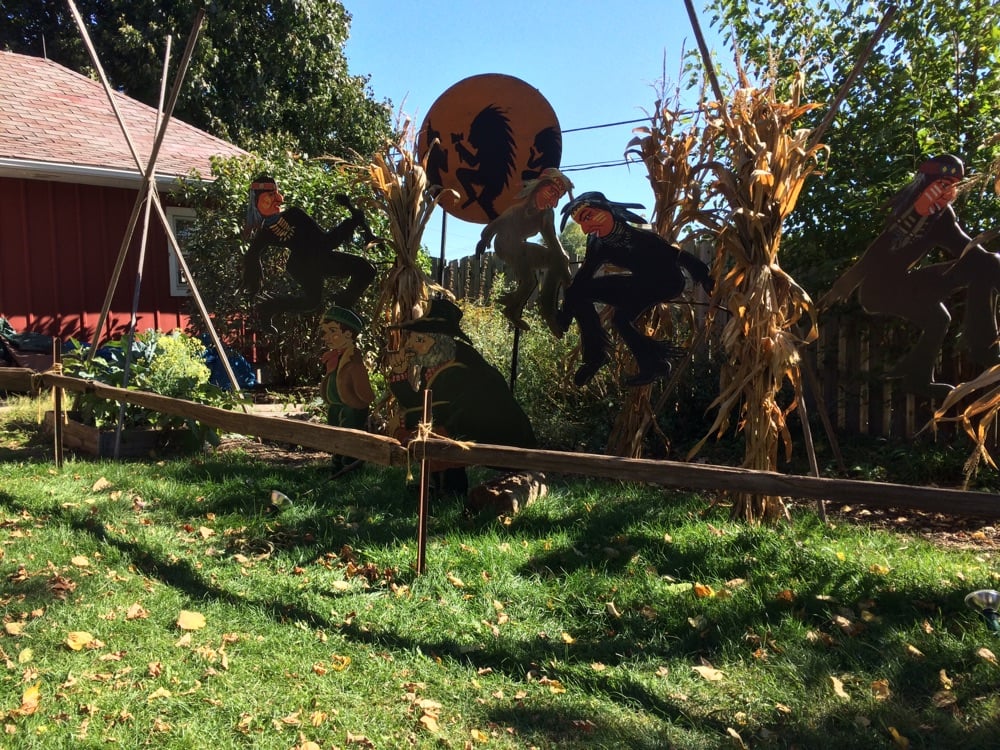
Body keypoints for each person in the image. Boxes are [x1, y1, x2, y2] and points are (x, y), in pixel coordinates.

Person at [819, 154, 1000, 396]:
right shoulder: (904, 215)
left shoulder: (941, 218)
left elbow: (971, 254)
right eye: (943, 184)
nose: (948, 192)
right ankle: (984, 349)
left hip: (905, 283)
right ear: (927, 183)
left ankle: (919, 377)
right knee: (983, 269)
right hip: (880, 291)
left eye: (953, 186)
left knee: (940, 317)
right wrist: (841, 287)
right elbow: (873, 255)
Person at [556, 192, 714, 387]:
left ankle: (649, 363)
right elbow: (583, 277)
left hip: (667, 282)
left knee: (618, 317)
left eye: (588, 216)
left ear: (607, 210)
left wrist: (705, 278)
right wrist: (566, 314)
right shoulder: (599, 244)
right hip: (639, 283)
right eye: (581, 223)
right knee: (611, 313)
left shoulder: (640, 237)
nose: (586, 228)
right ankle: (608, 359)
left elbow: (677, 255)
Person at [385, 298, 536, 496]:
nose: (410, 345)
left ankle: (452, 490)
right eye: (412, 338)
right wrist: (399, 375)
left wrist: (405, 419)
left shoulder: (459, 369)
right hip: (466, 427)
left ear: (440, 342)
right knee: (427, 431)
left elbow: (442, 412)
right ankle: (439, 486)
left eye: (419, 340)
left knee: (431, 433)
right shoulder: (437, 363)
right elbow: (422, 403)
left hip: (502, 437)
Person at [241, 175, 377, 330]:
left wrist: (353, 223)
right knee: (365, 270)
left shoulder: (285, 220)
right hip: (309, 262)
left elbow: (323, 242)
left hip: (307, 262)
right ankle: (342, 303)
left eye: (276, 194)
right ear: (258, 200)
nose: (279, 199)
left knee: (313, 301)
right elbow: (326, 242)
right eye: (271, 195)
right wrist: (350, 223)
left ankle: (270, 307)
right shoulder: (279, 224)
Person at [475, 168, 574, 334]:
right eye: (551, 192)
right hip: (505, 246)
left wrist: (564, 269)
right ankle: (513, 309)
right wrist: (484, 240)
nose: (553, 201)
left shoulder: (546, 215)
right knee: (529, 282)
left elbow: (552, 241)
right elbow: (495, 224)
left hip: (521, 248)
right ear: (539, 186)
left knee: (557, 260)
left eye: (557, 197)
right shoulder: (517, 209)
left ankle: (547, 307)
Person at [318, 306, 375, 472]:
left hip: (351, 407)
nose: (326, 336)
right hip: (336, 406)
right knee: (335, 434)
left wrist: (364, 399)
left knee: (350, 435)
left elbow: (362, 386)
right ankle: (336, 463)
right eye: (325, 332)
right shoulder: (335, 357)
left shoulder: (353, 360)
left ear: (348, 334)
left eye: (332, 331)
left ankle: (350, 465)